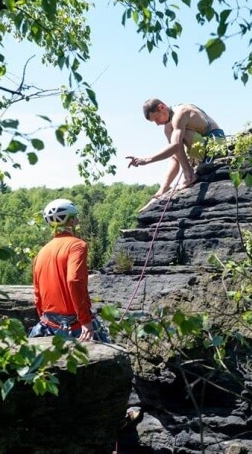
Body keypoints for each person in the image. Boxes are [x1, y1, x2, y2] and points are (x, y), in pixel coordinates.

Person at [29, 198, 109, 342]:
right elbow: (74, 280)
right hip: (76, 325)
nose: (78, 221)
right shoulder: (77, 246)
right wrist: (86, 321)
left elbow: (37, 293)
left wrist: (44, 317)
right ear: (71, 222)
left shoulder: (41, 252)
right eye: (76, 218)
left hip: (48, 324)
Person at [126, 98, 225, 198]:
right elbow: (175, 156)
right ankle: (180, 180)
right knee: (173, 141)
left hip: (215, 144)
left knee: (179, 137)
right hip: (200, 147)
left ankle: (189, 175)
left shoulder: (181, 113)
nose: (157, 124)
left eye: (156, 118)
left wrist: (146, 160)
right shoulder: (169, 127)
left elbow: (176, 146)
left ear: (162, 107)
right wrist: (163, 189)